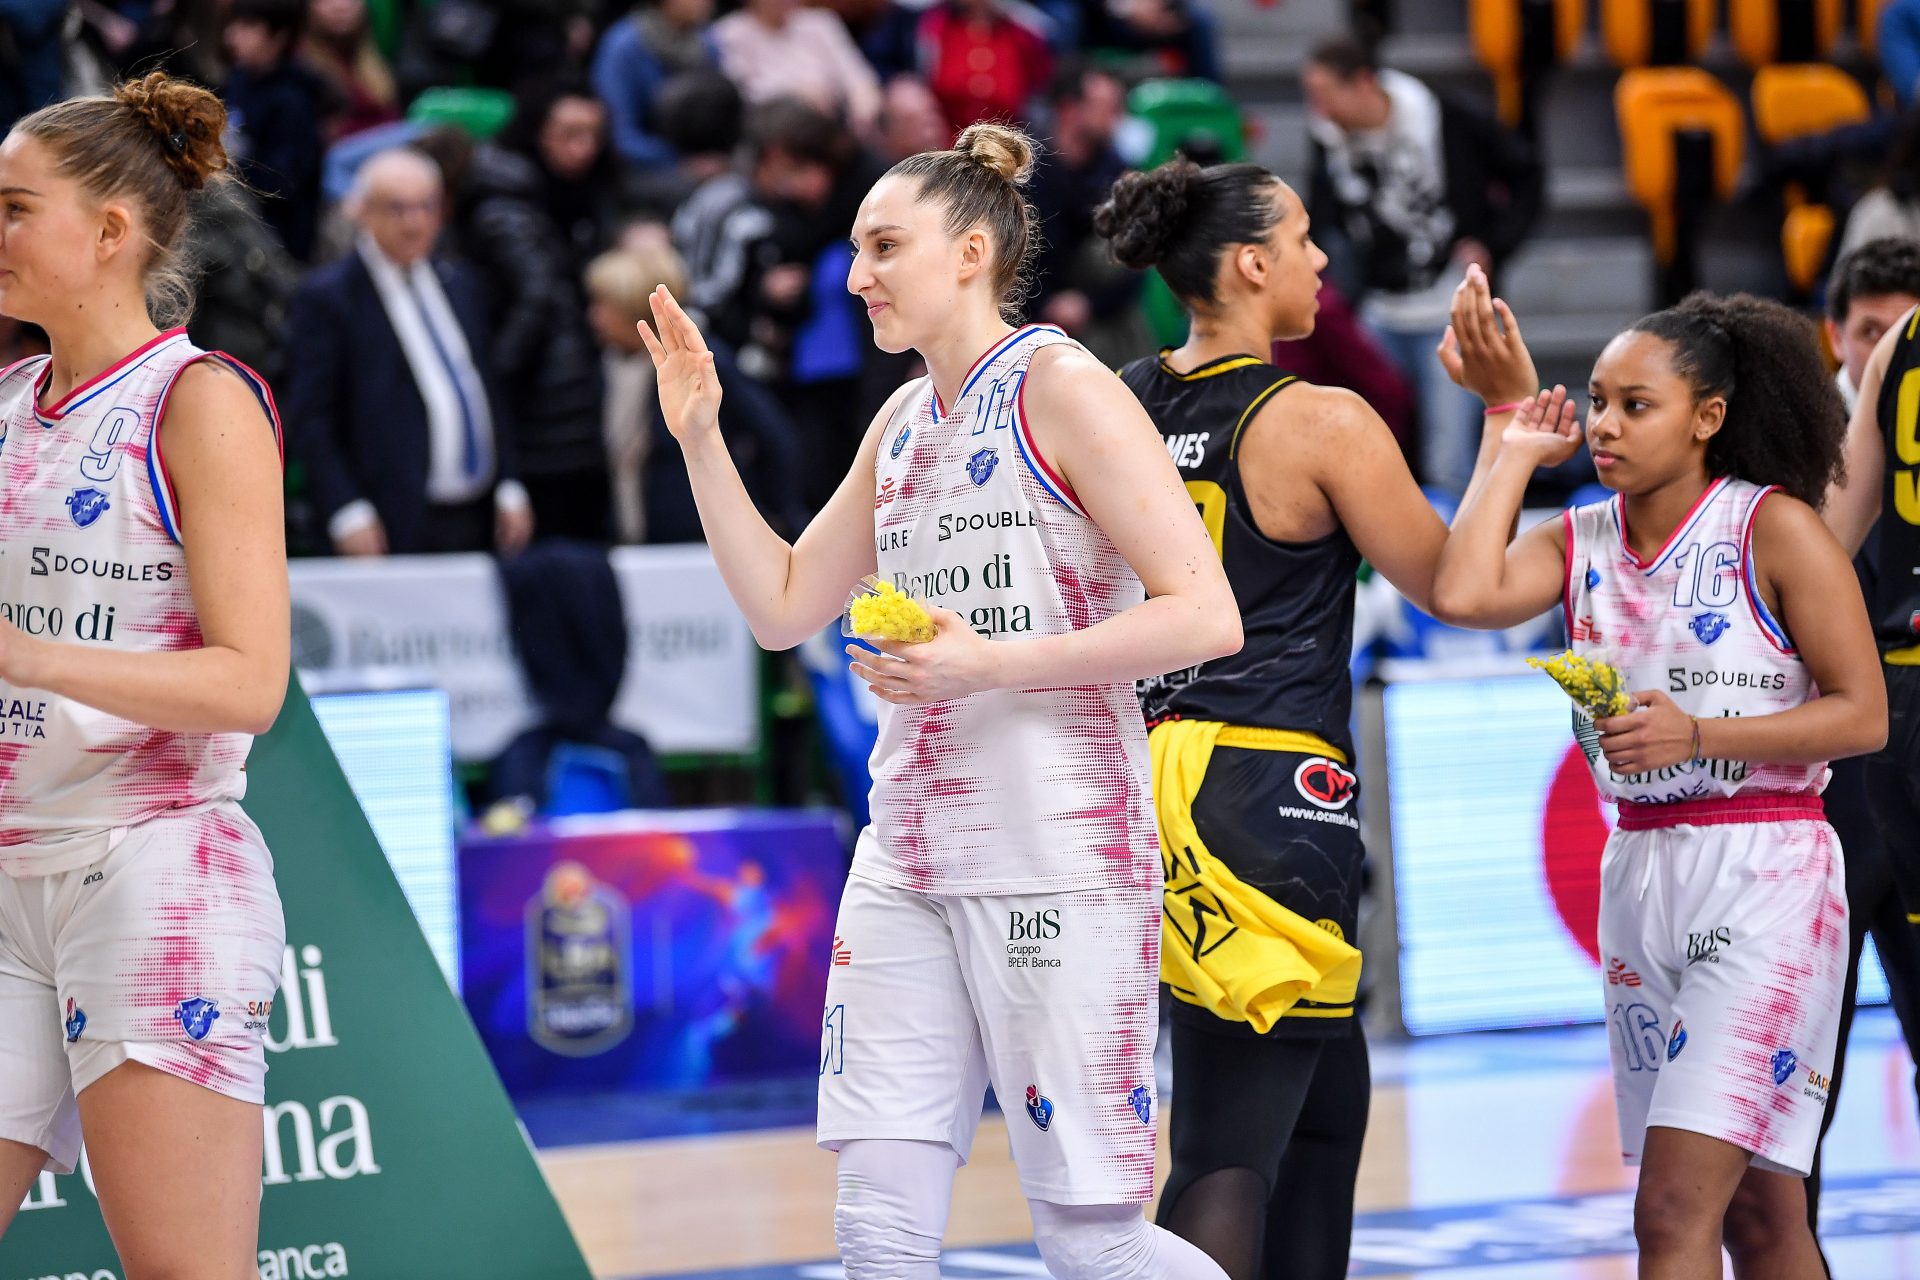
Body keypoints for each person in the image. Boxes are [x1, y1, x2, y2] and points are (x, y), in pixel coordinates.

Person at [639, 121, 1242, 1279]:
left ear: (970, 252)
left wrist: (991, 664)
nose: (855, 275)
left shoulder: (1062, 384)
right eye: (855, 250)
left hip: (1054, 851)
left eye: (882, 246)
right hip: (907, 854)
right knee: (876, 1228)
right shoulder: (903, 419)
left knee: (1093, 1238)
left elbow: (1206, 612)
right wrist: (702, 436)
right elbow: (780, 604)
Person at [1095, 159, 1508, 1280]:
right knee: (1227, 1149)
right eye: (1306, 237)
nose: (1324, 260)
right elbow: (1461, 587)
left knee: (1322, 1114)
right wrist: (1509, 428)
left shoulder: (1118, 402)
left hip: (1146, 782)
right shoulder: (1319, 419)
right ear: (1251, 263)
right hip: (1272, 788)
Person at [1431, 295, 1887, 1278]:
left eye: (1636, 404)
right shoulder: (1579, 539)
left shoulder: (1777, 530)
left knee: (1671, 1206)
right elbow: (1462, 593)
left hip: (1767, 871)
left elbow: (1864, 713)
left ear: (1708, 416)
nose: (1603, 423)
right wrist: (1510, 441)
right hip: (1638, 868)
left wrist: (1698, 731)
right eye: (1595, 401)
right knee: (1763, 1216)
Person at [0, 74, 292, 1277]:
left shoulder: (199, 399)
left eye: (16, 207)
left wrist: (22, 653)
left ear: (110, 232)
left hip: (153, 867)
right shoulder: (13, 401)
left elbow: (249, 683)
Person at [1802, 237, 1920, 1259]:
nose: (1882, 341)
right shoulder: (1786, 432)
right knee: (1802, 1063)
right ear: (1840, 332)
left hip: (1903, 748)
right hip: (1827, 782)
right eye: (1869, 325)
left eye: (1898, 322)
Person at [1302, 34, 1542, 497]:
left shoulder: (1441, 116)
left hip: (1448, 309)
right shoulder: (1327, 137)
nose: (1320, 108)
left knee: (1448, 460)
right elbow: (1322, 214)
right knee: (1370, 446)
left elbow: (1527, 172)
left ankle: (1454, 558)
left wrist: (1495, 244)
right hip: (1378, 307)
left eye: (1326, 93)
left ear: (1364, 83)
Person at [284, 147, 534, 556]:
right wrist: (346, 508)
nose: (414, 222)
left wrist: (508, 482)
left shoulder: (458, 281)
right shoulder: (329, 297)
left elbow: (483, 387)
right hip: (389, 515)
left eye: (426, 207)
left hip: (478, 513)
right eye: (397, 208)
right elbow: (312, 417)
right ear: (363, 211)